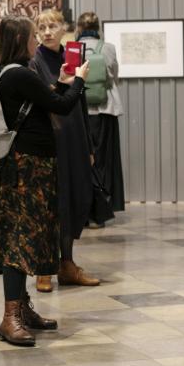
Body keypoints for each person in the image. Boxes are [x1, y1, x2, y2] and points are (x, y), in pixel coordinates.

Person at [0, 16, 90, 346]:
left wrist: (62, 81)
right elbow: (61, 106)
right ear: (21, 40)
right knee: (19, 241)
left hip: (29, 165)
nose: (39, 39)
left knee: (28, 236)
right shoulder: (20, 74)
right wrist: (78, 80)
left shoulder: (12, 72)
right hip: (26, 167)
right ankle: (11, 318)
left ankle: (23, 309)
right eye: (33, 35)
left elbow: (45, 101)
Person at [30, 9, 100, 291]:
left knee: (73, 197)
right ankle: (44, 267)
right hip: (50, 137)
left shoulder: (73, 56)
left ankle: (67, 264)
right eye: (42, 27)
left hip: (74, 136)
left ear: (64, 29)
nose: (48, 32)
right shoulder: (34, 62)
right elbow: (44, 100)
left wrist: (89, 145)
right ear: (36, 33)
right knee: (50, 201)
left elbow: (80, 101)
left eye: (53, 26)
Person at [77, 12, 125, 214]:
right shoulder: (109, 48)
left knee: (82, 161)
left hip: (80, 111)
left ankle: (85, 210)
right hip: (105, 109)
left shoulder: (73, 48)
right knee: (104, 160)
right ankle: (103, 210)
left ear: (78, 27)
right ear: (98, 28)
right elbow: (115, 76)